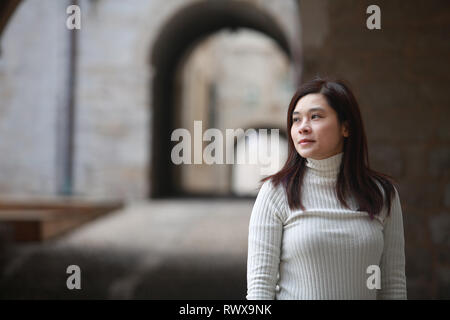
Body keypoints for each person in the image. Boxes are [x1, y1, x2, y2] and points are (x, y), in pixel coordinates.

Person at [246, 77, 407, 300]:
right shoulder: (275, 193)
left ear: (346, 127)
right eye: (296, 120)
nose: (303, 127)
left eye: (315, 117)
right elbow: (259, 291)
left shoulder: (382, 195)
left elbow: (393, 286)